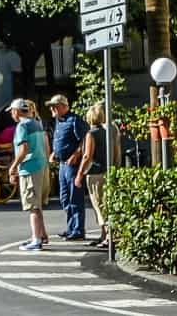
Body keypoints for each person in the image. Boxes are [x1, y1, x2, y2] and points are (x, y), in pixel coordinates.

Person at [7, 98, 52, 251]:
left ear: (17, 111)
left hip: (30, 168)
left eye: (12, 111)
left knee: (32, 206)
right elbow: (47, 146)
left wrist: (13, 167)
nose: (12, 114)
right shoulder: (37, 123)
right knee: (37, 205)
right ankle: (42, 235)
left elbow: (23, 149)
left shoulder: (22, 126)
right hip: (42, 166)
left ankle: (36, 240)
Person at [47, 94, 90, 242]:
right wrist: (54, 153)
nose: (52, 109)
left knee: (74, 198)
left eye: (54, 106)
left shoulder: (75, 120)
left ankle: (78, 230)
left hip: (72, 165)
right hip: (62, 164)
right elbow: (61, 140)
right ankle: (72, 227)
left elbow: (85, 140)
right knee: (65, 198)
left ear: (64, 106)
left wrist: (77, 154)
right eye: (51, 106)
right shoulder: (59, 121)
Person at [77, 103, 109, 246]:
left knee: (99, 205)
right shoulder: (107, 131)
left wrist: (80, 173)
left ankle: (108, 236)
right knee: (105, 203)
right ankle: (104, 235)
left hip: (95, 172)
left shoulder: (91, 134)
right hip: (106, 170)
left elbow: (87, 156)